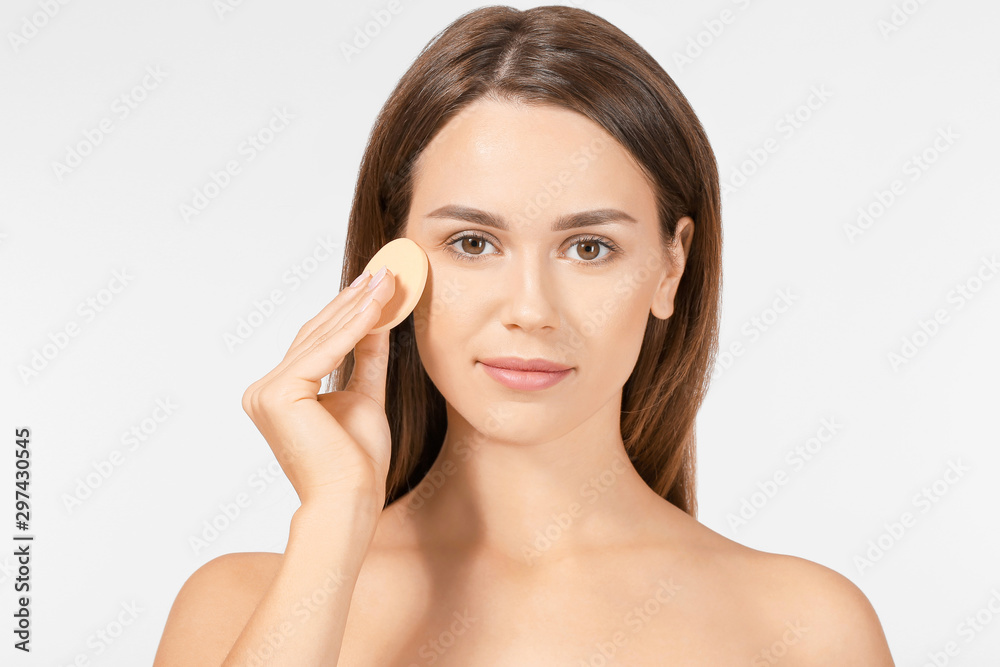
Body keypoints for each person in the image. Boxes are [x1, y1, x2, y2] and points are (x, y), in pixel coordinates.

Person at [154, 6, 895, 665]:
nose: (532, 310)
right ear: (393, 263)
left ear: (670, 268)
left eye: (589, 247)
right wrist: (336, 521)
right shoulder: (237, 605)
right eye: (474, 243)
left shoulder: (807, 629)